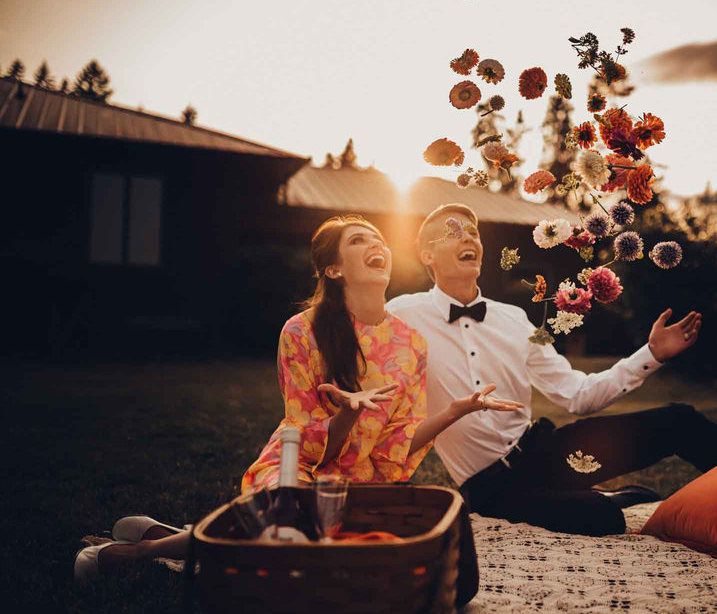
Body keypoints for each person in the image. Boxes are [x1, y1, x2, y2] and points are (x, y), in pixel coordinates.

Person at [75, 215, 522, 582]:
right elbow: (307, 445)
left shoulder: (412, 344)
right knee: (291, 527)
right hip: (298, 467)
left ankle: (178, 536)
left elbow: (396, 447)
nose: (377, 245)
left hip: (360, 483)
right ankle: (146, 551)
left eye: (380, 239)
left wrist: (454, 411)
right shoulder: (300, 332)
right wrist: (345, 415)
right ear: (334, 269)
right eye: (360, 240)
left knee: (311, 557)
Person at [385, 203, 717, 537]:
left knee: (679, 421)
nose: (468, 237)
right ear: (426, 254)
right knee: (600, 517)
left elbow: (578, 396)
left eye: (473, 232)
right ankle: (609, 498)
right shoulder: (402, 315)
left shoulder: (515, 320)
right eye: (453, 231)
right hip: (490, 486)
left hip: (545, 453)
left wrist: (652, 354)